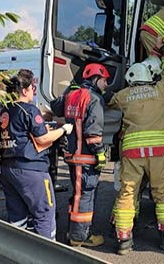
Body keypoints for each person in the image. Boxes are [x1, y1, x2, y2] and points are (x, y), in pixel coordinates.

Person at [107, 38, 164, 254]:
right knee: (163, 194)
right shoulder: (161, 90)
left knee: (128, 193)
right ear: (149, 76)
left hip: (132, 155)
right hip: (158, 154)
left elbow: (106, 98)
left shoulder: (124, 96)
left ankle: (123, 241)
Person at [0, 69, 72, 240]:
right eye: (32, 88)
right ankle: (46, 254)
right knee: (44, 213)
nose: (34, 92)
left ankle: (18, 252)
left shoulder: (5, 110)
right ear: (24, 90)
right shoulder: (29, 110)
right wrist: (63, 130)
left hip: (8, 168)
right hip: (31, 169)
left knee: (17, 216)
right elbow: (43, 138)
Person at [51, 63, 110, 247]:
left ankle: (74, 231)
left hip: (72, 157)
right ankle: (79, 237)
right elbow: (93, 132)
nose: (106, 85)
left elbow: (55, 107)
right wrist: (100, 154)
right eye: (104, 81)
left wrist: (69, 89)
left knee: (78, 194)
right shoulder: (94, 98)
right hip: (85, 158)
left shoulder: (72, 95)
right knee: (85, 195)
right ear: (96, 79)